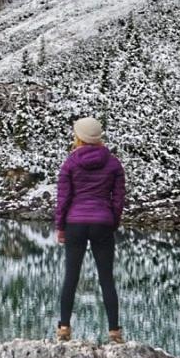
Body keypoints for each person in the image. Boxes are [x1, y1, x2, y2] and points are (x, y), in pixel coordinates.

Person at [53, 116, 126, 344]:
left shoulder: (70, 163)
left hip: (75, 223)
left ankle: (64, 328)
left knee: (71, 277)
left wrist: (61, 227)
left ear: (79, 137)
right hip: (102, 223)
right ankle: (114, 331)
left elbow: (63, 199)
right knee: (106, 278)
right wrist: (112, 222)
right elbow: (118, 199)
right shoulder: (114, 163)